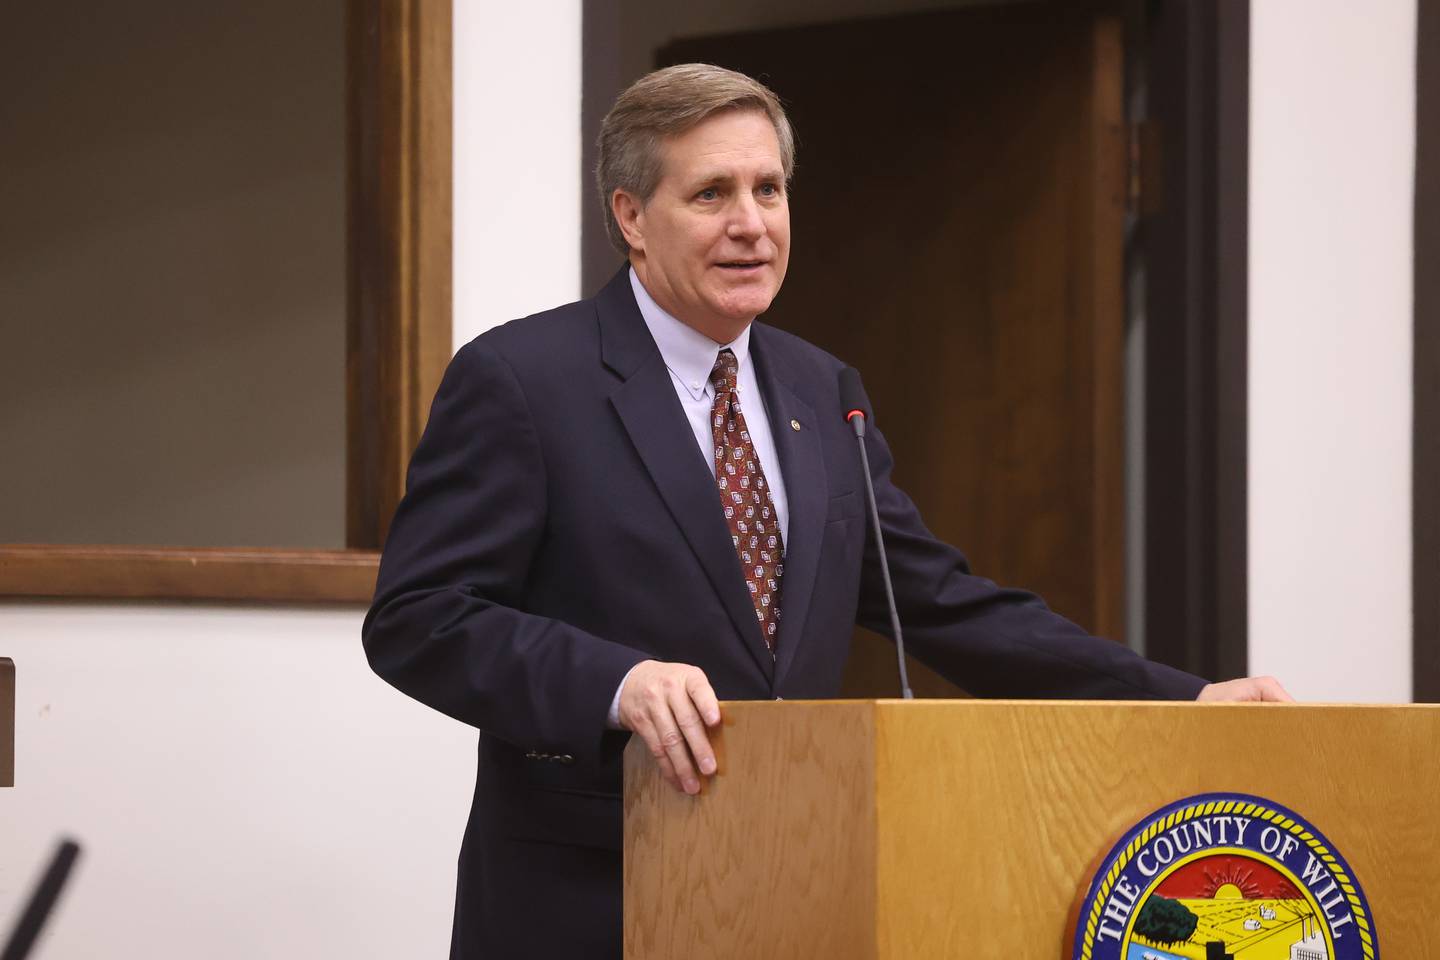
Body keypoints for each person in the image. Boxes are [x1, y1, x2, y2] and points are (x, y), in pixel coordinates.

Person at [362, 63, 1290, 959]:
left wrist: (1184, 699)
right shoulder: (524, 381)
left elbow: (937, 600)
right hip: (588, 898)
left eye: (770, 190)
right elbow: (419, 619)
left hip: (795, 887)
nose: (752, 225)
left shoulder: (820, 387)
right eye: (713, 194)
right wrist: (617, 684)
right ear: (631, 217)